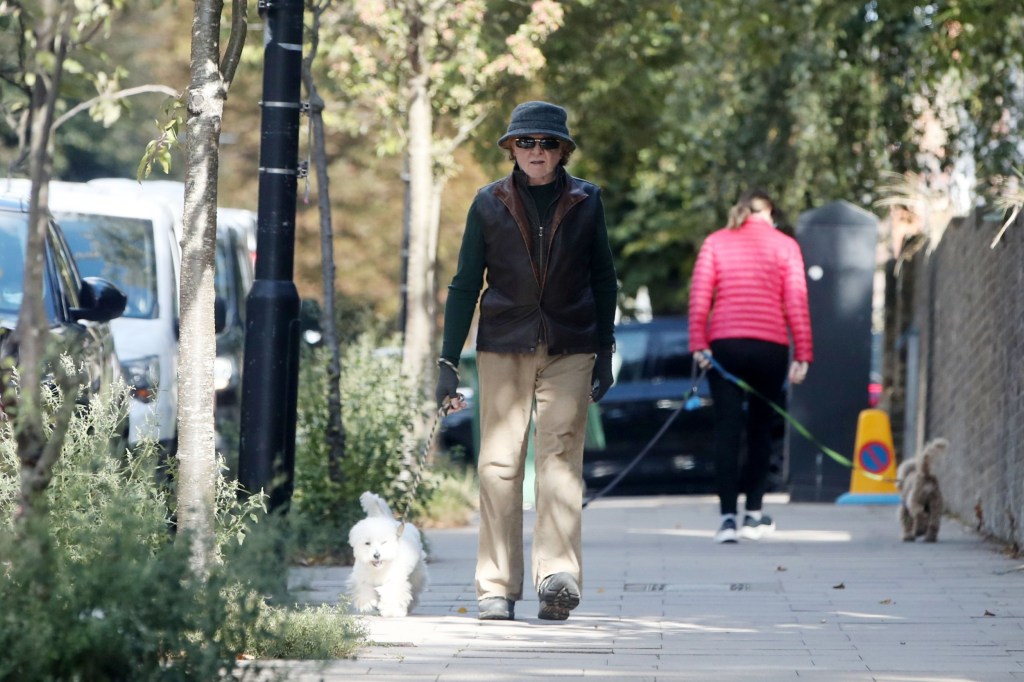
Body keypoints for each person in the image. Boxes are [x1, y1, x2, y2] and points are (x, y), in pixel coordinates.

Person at [434, 101, 618, 621]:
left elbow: (603, 278)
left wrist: (604, 350)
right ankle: (496, 586)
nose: (537, 151)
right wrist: (448, 360)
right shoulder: (487, 202)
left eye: (547, 142)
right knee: (498, 462)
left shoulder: (588, 200)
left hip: (571, 342)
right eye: (526, 141)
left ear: (562, 150)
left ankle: (557, 575)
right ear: (512, 147)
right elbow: (466, 282)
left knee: (560, 456)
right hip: (502, 344)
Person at [688, 189, 812, 544]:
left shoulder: (715, 242)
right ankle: (754, 516)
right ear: (769, 212)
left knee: (727, 432)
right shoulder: (785, 245)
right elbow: (796, 303)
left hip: (725, 346)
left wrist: (699, 344)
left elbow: (700, 298)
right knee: (760, 431)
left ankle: (727, 519)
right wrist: (803, 354)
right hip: (769, 346)